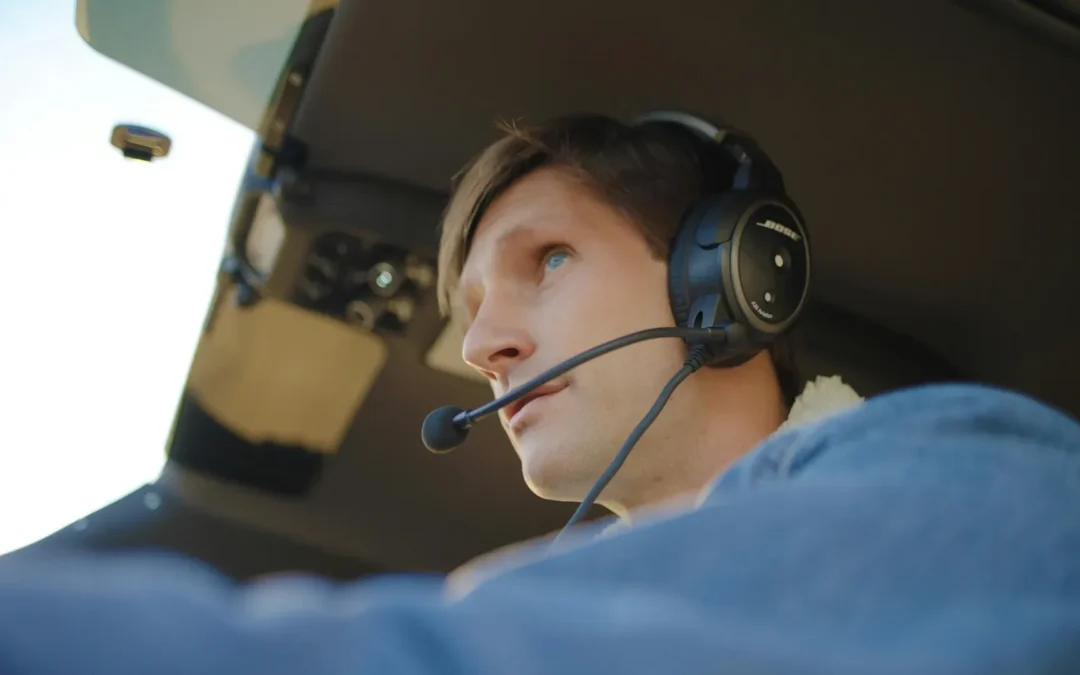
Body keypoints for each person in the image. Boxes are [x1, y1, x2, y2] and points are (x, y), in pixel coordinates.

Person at [1, 113, 1079, 674]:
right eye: (467, 307)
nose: (482, 344)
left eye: (548, 259)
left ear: (729, 276)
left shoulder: (955, 456)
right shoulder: (546, 592)